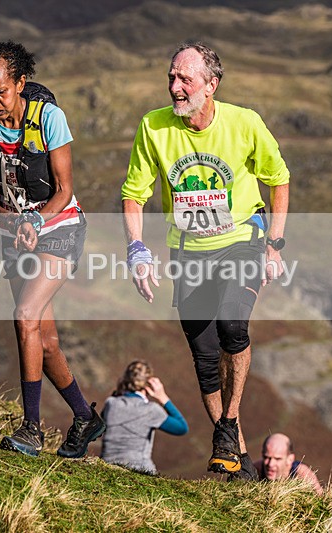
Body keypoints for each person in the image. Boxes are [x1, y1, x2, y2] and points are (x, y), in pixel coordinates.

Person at [121, 41, 290, 480]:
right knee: (203, 354)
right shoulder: (154, 127)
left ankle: (227, 426)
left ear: (211, 85)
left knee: (233, 326)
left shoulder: (245, 123)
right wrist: (137, 249)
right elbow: (133, 194)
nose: (175, 87)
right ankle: (235, 454)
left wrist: (275, 242)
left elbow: (279, 179)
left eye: (185, 79)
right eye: (171, 78)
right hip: (188, 252)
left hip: (241, 240)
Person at [0, 41, 105, 458]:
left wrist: (35, 221)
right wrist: (9, 220)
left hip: (59, 228)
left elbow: (64, 189)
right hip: (14, 233)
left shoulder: (49, 119)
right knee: (45, 338)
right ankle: (84, 417)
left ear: (20, 83)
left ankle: (31, 430)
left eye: (1, 91)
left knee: (24, 317)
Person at [100, 360, 188, 475]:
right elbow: (181, 428)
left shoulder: (111, 404)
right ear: (149, 385)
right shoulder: (151, 410)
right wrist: (163, 398)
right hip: (141, 470)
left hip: (107, 468)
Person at [254, 433, 323, 494]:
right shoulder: (256, 469)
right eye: (266, 457)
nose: (270, 464)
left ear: (290, 459)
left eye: (277, 459)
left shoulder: (303, 475)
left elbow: (321, 501)